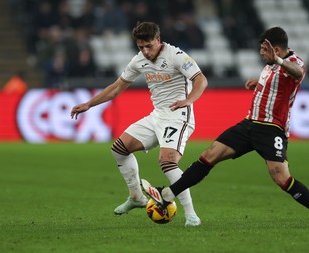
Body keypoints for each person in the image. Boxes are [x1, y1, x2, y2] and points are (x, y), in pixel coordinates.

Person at [142, 27, 309, 228]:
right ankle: (167, 194)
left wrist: (279, 61)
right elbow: (276, 83)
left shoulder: (293, 62)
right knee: (209, 155)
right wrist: (259, 82)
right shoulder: (270, 66)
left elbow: (298, 73)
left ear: (277, 50)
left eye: (264, 50)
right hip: (249, 124)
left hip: (271, 128)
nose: (261, 53)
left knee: (282, 178)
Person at [70, 21, 208, 226]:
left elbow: (201, 80)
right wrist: (89, 104)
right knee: (119, 149)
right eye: (140, 47)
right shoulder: (138, 61)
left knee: (167, 161)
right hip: (157, 116)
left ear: (158, 40)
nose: (145, 51)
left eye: (149, 46)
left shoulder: (176, 55)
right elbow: (116, 88)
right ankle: (136, 197)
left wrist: (188, 100)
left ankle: (191, 215)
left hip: (178, 115)